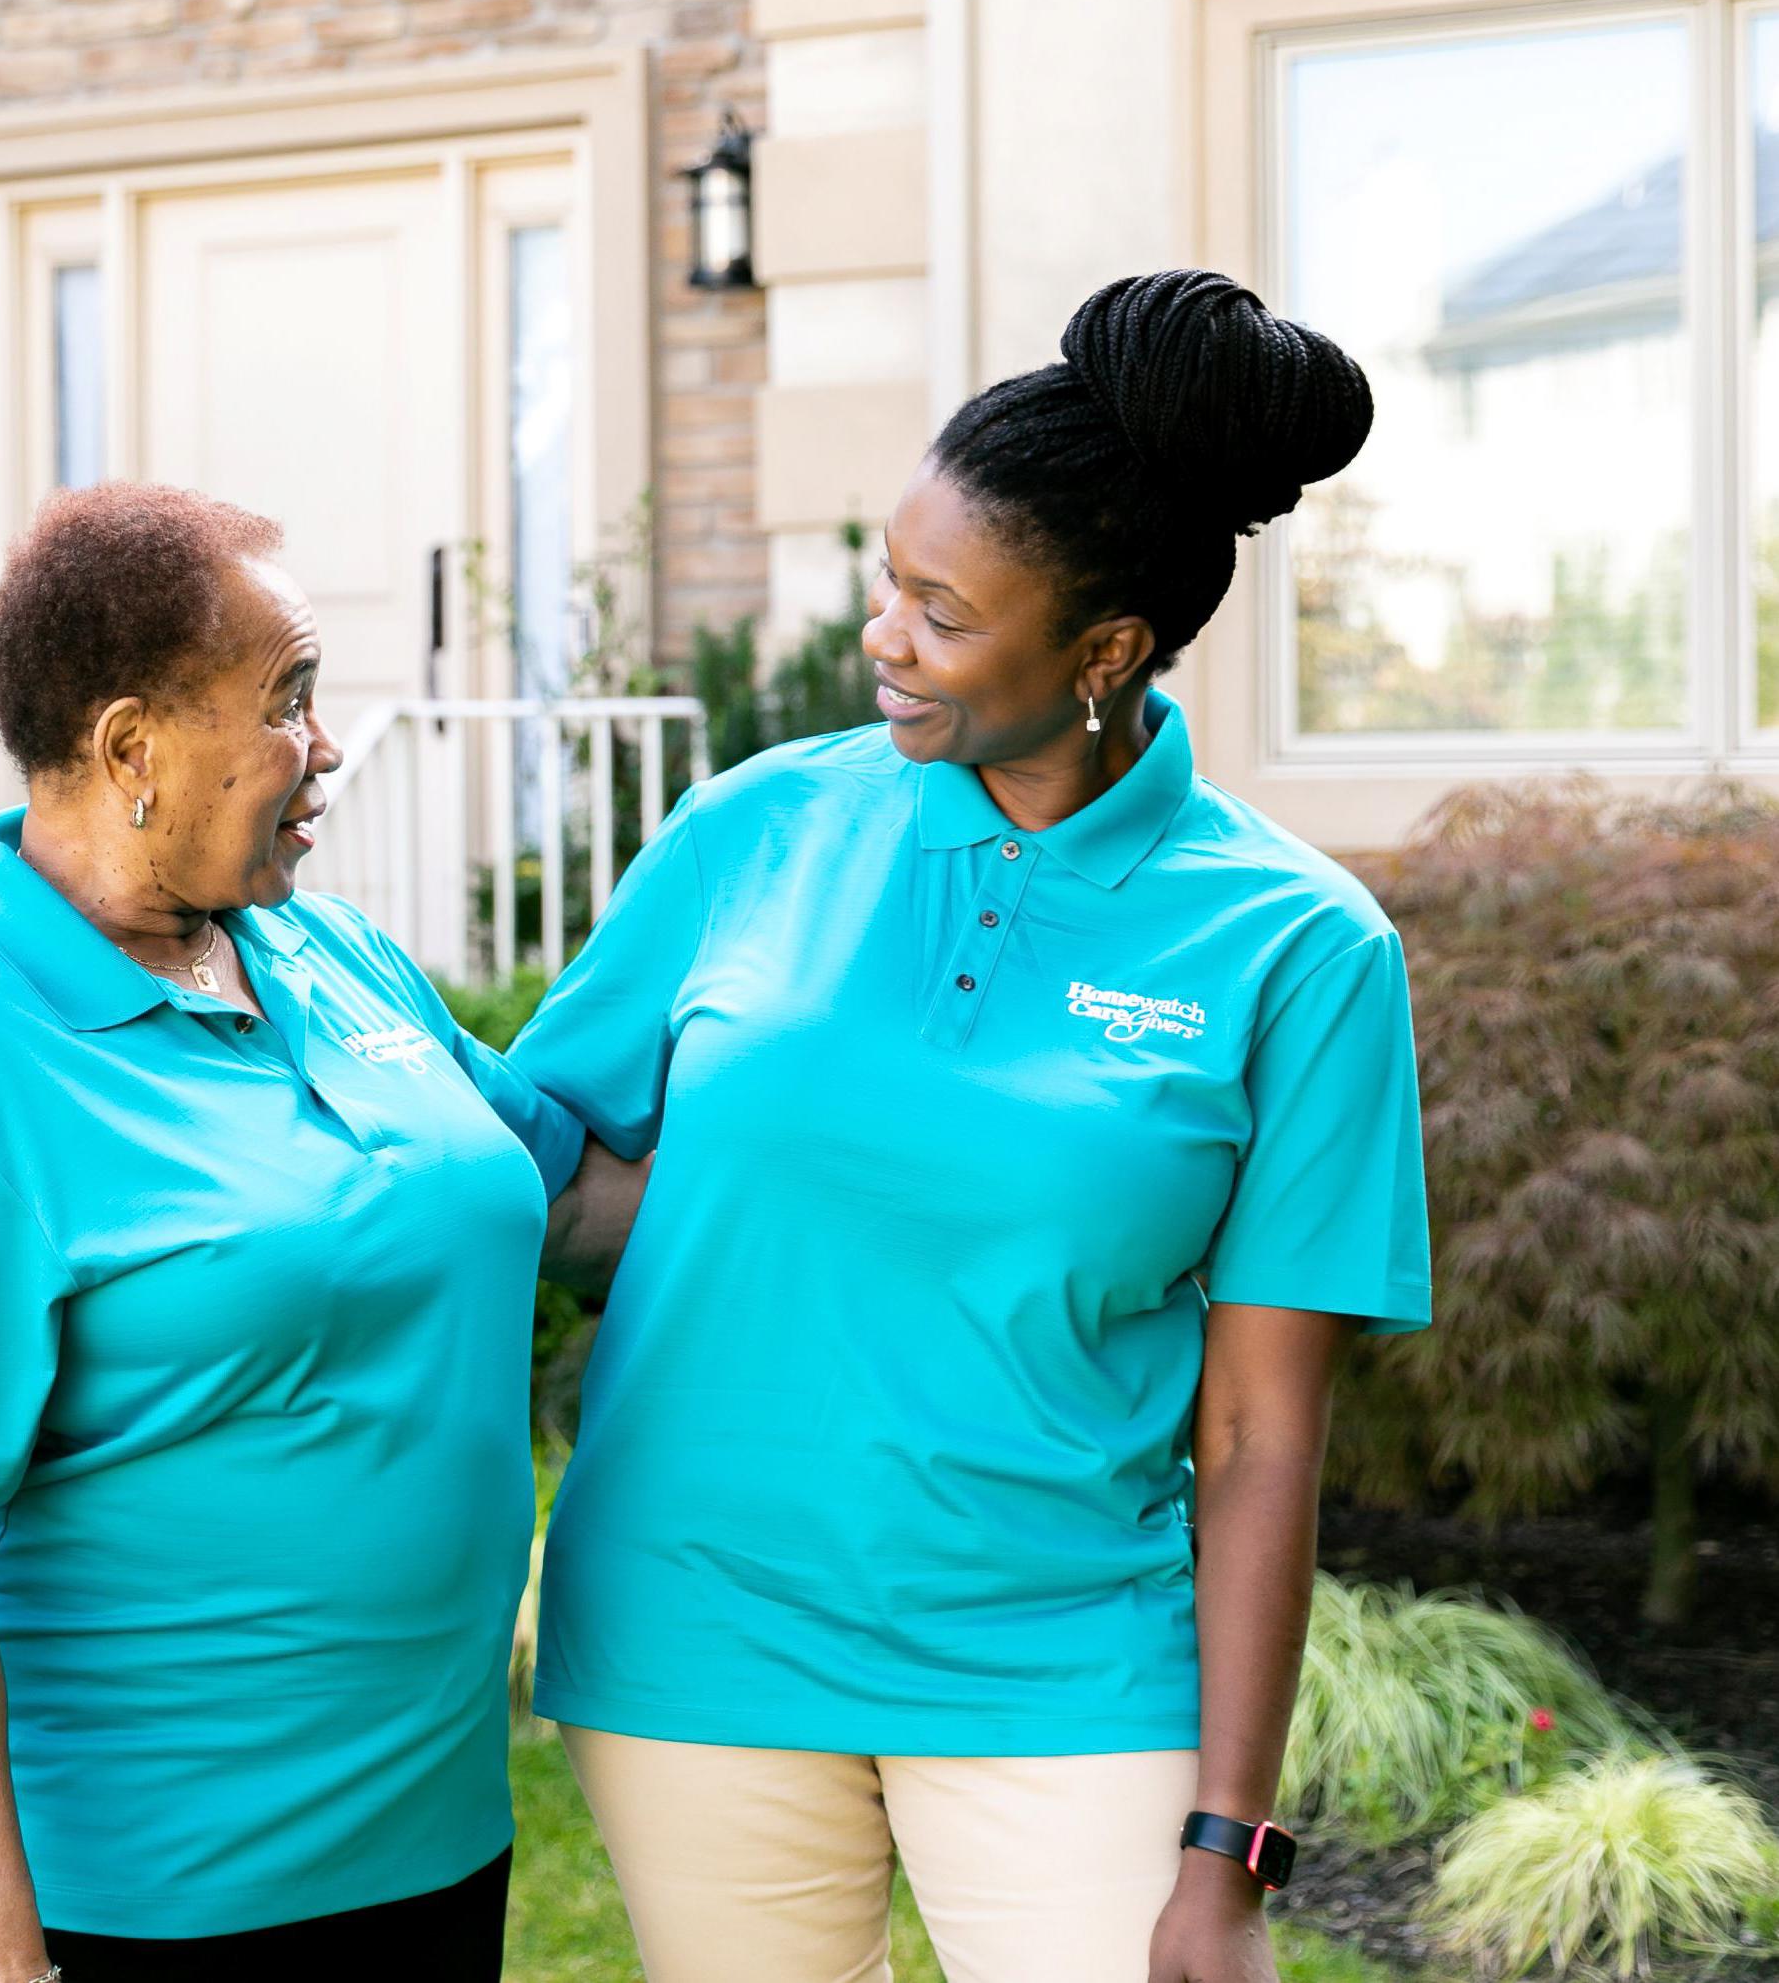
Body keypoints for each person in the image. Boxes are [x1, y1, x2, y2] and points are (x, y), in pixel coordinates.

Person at [510, 271, 1434, 1983]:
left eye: (940, 610)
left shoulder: (1295, 946)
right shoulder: (753, 828)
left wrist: (1226, 1851)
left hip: (1062, 1658)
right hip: (694, 1632)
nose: (882, 635)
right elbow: (530, 1164)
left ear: (1102, 651)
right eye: (887, 577)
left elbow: (1256, 1437)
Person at [0, 482, 632, 1983]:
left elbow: (563, 1198)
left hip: (430, 1837)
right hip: (144, 1894)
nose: (322, 749)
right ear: (131, 747)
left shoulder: (325, 948)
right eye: (286, 702)